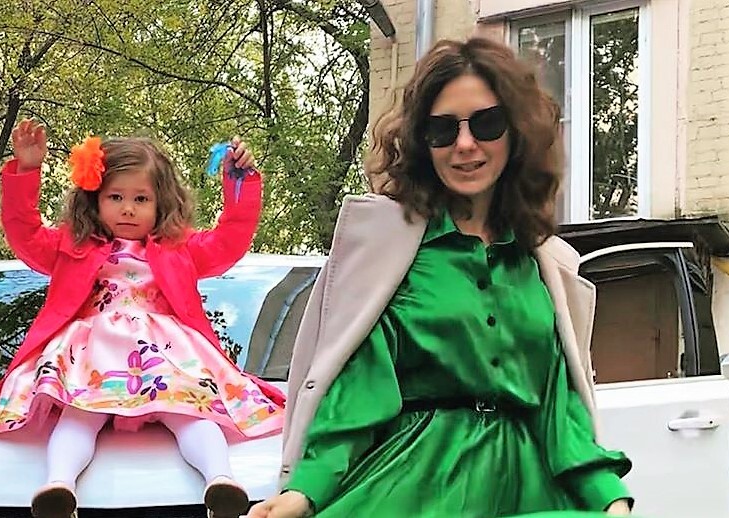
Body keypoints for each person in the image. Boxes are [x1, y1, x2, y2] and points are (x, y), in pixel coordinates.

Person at [246, 37, 633, 518]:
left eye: (486, 123)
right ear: (422, 142)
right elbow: (356, 397)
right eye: (443, 129)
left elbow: (559, 409)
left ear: (516, 133)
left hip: (530, 492)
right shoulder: (389, 257)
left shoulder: (542, 264)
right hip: (413, 488)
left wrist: (609, 497)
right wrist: (304, 492)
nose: (465, 144)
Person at [0, 119, 285, 518]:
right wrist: (27, 170)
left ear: (161, 203)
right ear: (94, 199)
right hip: (92, 354)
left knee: (192, 412)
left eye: (141, 199)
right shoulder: (72, 245)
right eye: (115, 196)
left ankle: (220, 481)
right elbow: (26, 233)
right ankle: (59, 485)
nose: (127, 207)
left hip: (164, 355)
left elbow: (228, 241)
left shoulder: (180, 248)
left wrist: (240, 185)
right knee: (79, 414)